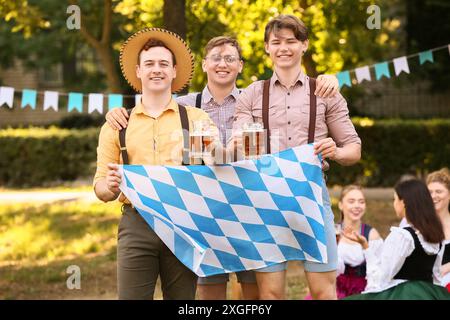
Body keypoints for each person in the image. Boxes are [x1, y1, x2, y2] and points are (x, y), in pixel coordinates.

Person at [104, 35, 340, 300]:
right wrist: (117, 113)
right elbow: (153, 113)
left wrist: (326, 80)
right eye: (215, 58)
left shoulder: (257, 100)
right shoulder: (184, 107)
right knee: (209, 293)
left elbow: (286, 122)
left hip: (252, 208)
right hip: (204, 212)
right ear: (204, 64)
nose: (222, 64)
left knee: (252, 294)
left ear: (240, 65)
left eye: (230, 59)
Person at [229, 14, 362, 300]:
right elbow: (237, 141)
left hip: (312, 197)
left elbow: (353, 148)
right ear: (266, 47)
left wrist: (336, 152)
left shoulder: (326, 92)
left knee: (323, 290)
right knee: (272, 294)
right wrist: (238, 140)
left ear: (304, 45)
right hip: (265, 200)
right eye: (276, 42)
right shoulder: (251, 94)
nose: (283, 48)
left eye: (291, 41)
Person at [93, 28, 219, 300]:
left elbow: (216, 167)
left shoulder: (197, 119)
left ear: (174, 71)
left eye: (163, 64)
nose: (156, 70)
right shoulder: (117, 125)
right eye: (149, 64)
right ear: (138, 71)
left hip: (183, 222)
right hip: (136, 224)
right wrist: (111, 186)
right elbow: (101, 189)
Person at [343, 179, 450, 299]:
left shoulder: (402, 236)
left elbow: (382, 277)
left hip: (404, 295)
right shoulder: (435, 236)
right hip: (429, 294)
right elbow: (436, 276)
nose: (394, 203)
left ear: (403, 202)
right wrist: (365, 245)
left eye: (395, 199)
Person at [335, 185, 382, 298]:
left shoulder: (371, 235)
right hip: (334, 288)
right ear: (341, 205)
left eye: (361, 202)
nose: (357, 206)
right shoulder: (333, 232)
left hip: (363, 290)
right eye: (351, 201)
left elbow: (379, 271)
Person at [427, 168, 450, 287]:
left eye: (439, 191)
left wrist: (446, 268)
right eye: (430, 192)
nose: (433, 196)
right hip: (428, 284)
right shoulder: (420, 224)